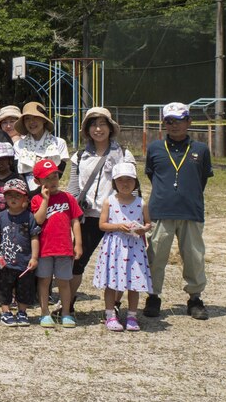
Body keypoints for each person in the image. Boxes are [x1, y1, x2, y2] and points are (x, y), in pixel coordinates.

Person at [143, 102, 213, 321]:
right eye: (169, 121)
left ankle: (195, 298)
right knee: (155, 256)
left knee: (194, 257)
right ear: (164, 123)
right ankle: (153, 296)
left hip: (190, 211)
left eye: (179, 120)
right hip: (161, 211)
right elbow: (151, 174)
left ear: (189, 121)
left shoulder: (200, 149)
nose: (174, 125)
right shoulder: (155, 148)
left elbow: (202, 179)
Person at [66, 106, 134, 315]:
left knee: (119, 263)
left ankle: (113, 305)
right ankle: (68, 303)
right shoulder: (80, 156)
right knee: (77, 260)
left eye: (102, 124)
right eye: (93, 125)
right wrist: (71, 212)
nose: (98, 129)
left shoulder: (123, 154)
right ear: (87, 129)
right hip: (88, 217)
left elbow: (131, 185)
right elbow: (74, 187)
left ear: (110, 128)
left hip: (116, 217)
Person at [94, 162, 153, 332]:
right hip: (115, 247)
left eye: (129, 180)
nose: (125, 184)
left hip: (135, 246)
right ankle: (110, 314)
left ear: (136, 182)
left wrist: (143, 229)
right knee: (112, 283)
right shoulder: (109, 202)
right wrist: (118, 226)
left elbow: (148, 223)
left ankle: (132, 316)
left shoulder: (141, 202)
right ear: (114, 183)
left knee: (135, 282)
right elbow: (102, 225)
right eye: (120, 180)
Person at [31, 158, 83, 328]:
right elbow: (38, 220)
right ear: (37, 181)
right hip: (44, 249)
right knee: (44, 281)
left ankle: (66, 313)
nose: (52, 182)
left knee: (64, 281)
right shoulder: (37, 200)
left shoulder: (68, 197)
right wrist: (45, 200)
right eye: (46, 178)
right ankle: (44, 312)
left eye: (54, 177)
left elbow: (75, 221)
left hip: (64, 248)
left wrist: (78, 244)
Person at [0, 178, 39, 327]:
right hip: (4, 262)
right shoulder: (0, 216)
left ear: (25, 198)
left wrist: (35, 257)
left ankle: (22, 312)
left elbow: (34, 237)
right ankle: (5, 312)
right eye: (9, 195)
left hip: (24, 261)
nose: (13, 199)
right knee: (4, 288)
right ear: (4, 197)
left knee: (24, 288)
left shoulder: (29, 217)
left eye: (17, 195)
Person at [14, 101, 69, 192]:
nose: (32, 122)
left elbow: (60, 171)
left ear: (44, 119)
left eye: (36, 117)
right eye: (27, 118)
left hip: (51, 190)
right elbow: (19, 172)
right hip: (27, 192)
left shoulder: (59, 143)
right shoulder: (19, 145)